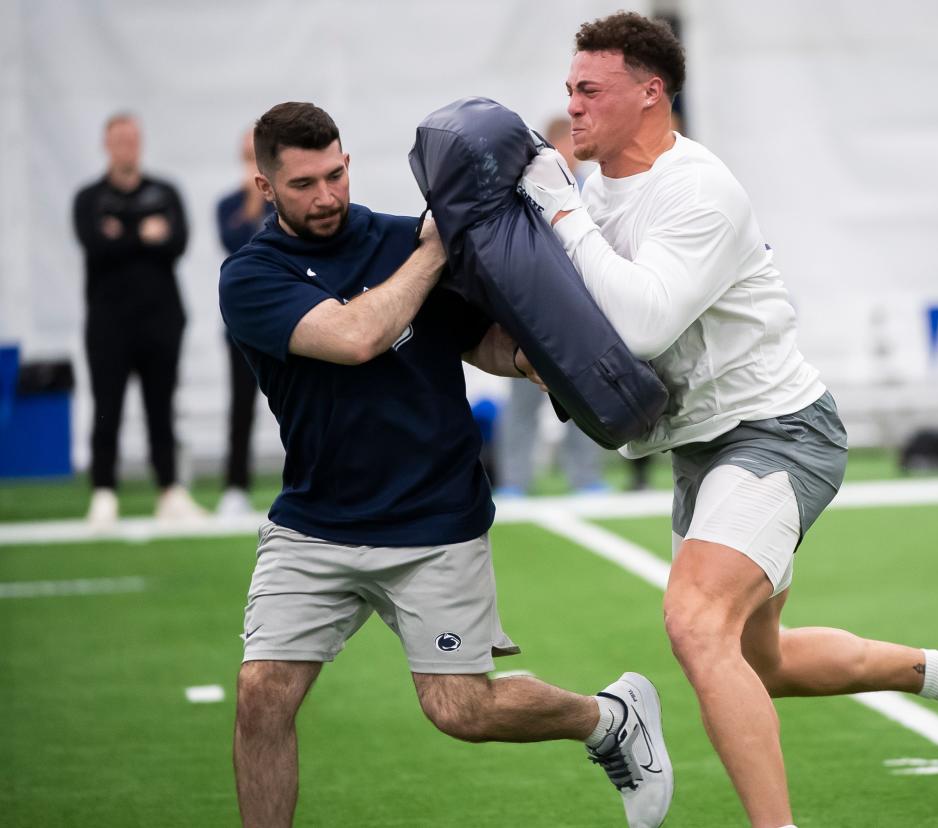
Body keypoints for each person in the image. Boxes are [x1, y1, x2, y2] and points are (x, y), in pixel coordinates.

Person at [518, 13, 938, 827]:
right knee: (767, 661)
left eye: (589, 90)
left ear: (650, 94)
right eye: (569, 90)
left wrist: (562, 214)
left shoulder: (698, 188)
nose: (570, 107)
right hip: (701, 449)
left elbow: (642, 324)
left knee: (693, 621)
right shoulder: (594, 188)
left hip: (778, 434)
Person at [219, 102, 671, 828]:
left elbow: (478, 342)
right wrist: (435, 250)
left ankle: (608, 718)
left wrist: (539, 362)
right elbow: (356, 335)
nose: (327, 195)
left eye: (335, 174)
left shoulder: (395, 236)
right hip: (316, 524)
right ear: (266, 186)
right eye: (303, 184)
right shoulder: (251, 278)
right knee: (261, 693)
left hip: (436, 518)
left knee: (461, 709)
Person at [72, 113, 205, 526]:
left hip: (161, 320)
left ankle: (170, 491)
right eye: (118, 140)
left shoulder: (165, 191)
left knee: (161, 406)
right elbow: (96, 246)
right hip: (108, 323)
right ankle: (104, 493)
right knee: (106, 406)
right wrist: (144, 234)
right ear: (106, 144)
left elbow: (178, 242)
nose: (126, 147)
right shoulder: (89, 198)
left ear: (140, 143)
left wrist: (122, 234)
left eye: (132, 139)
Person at [495, 119, 606, 497]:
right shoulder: (525, 191)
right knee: (523, 400)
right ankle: (513, 481)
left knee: (584, 399)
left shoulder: (592, 188)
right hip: (534, 309)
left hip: (579, 309)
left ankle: (586, 477)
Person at [215, 128, 275, 516]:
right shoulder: (230, 204)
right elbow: (234, 243)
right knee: (240, 406)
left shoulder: (287, 199)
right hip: (243, 325)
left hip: (289, 319)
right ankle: (236, 486)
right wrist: (253, 201)